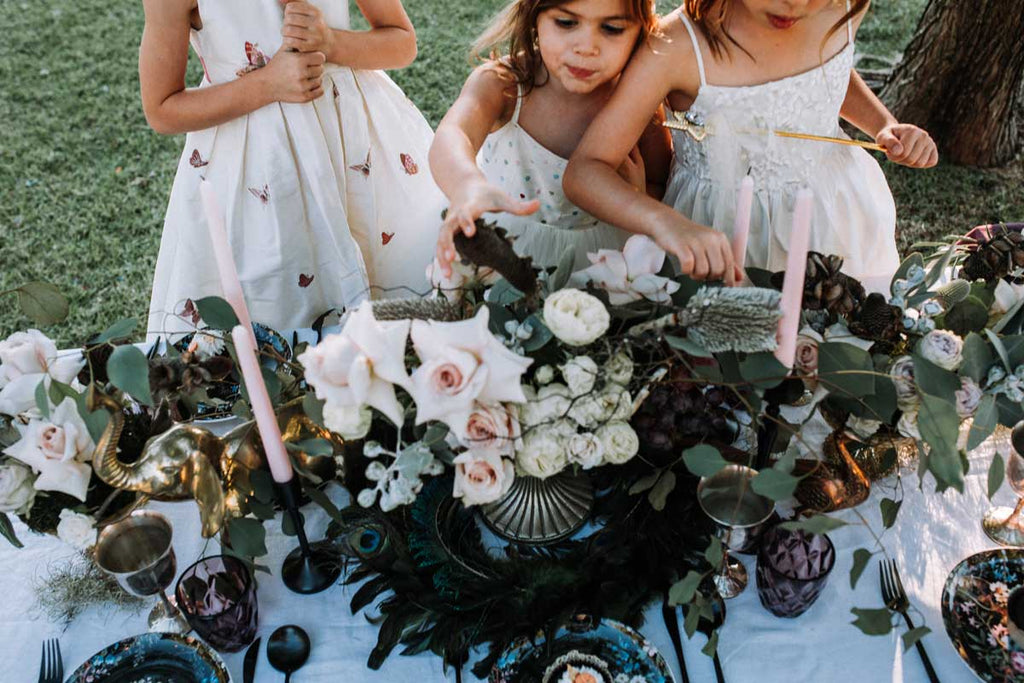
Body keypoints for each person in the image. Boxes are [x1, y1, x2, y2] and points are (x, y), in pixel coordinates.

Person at [564, 0, 938, 289]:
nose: (795, 5)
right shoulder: (677, 47)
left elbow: (828, 67)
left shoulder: (840, 9)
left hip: (836, 212)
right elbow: (586, 170)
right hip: (718, 234)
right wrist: (667, 223)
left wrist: (884, 125)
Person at [143, 0, 444, 339]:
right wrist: (267, 84)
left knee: (408, 290)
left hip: (359, 149)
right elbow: (162, 108)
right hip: (259, 169)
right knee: (283, 312)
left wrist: (331, 42)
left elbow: (402, 42)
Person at [429, 0, 668, 277]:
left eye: (612, 28)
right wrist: (467, 185)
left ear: (640, 30)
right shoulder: (502, 84)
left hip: (601, 258)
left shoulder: (637, 101)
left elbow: (660, 181)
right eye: (566, 23)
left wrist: (635, 196)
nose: (586, 46)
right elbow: (454, 133)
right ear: (533, 15)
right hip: (502, 246)